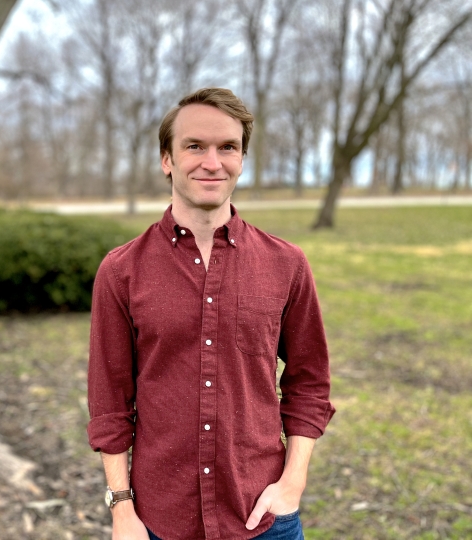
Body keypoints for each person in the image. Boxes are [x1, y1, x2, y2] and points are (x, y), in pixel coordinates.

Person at [87, 88, 335, 540]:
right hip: (159, 520)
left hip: (262, 517)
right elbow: (109, 401)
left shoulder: (287, 264)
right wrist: (121, 509)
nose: (212, 161)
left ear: (242, 159)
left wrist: (292, 482)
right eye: (194, 146)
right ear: (167, 160)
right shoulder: (121, 271)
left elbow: (310, 383)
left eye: (228, 147)